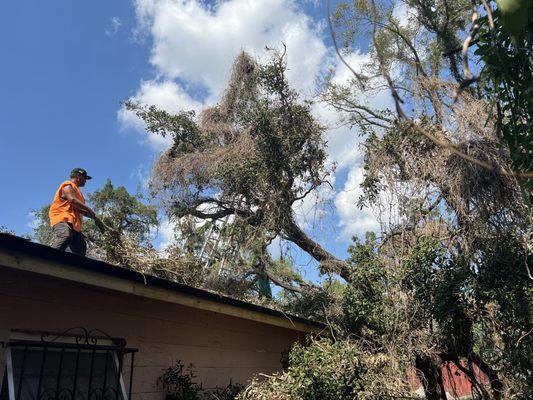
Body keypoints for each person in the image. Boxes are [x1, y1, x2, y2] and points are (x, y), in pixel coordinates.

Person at [49, 168, 104, 256]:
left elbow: (78, 209)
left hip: (73, 222)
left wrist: (94, 217)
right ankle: (47, 258)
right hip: (61, 217)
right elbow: (72, 200)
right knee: (65, 235)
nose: (86, 181)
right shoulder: (67, 185)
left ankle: (74, 268)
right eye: (84, 178)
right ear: (78, 176)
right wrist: (89, 209)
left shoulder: (79, 193)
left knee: (81, 246)